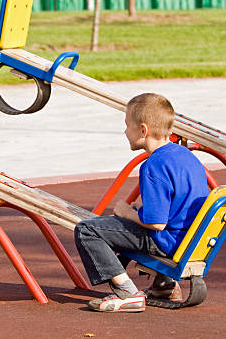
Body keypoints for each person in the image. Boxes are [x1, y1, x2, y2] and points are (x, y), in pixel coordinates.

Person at [75, 93, 208, 312]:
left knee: (87, 230)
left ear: (143, 130)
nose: (125, 131)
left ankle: (127, 293)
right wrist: (141, 210)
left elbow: (156, 223)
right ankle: (163, 285)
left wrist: (126, 212)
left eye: (127, 125)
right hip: (189, 239)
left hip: (167, 242)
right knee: (121, 224)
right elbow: (176, 205)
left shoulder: (154, 165)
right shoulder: (186, 156)